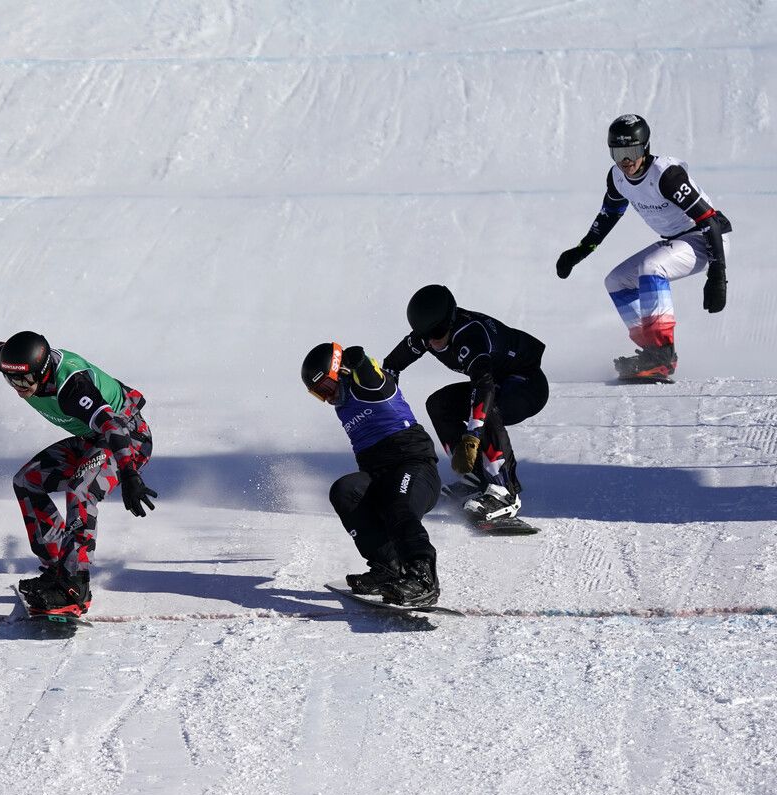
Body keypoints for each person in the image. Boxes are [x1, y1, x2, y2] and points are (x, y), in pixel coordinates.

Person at [0, 331, 157, 618]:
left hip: (128, 439)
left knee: (81, 490)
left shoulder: (73, 388)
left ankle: (74, 585)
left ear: (43, 373)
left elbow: (114, 429)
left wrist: (130, 475)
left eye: (25, 380)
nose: (19, 387)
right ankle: (58, 566)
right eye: (12, 379)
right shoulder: (14, 363)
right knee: (27, 481)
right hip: (92, 438)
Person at [555, 114, 732, 382]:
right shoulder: (617, 177)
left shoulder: (666, 175)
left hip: (707, 238)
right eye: (619, 153)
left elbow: (708, 220)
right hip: (676, 239)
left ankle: (662, 355)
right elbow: (607, 216)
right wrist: (580, 251)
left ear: (646, 148)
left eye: (632, 151)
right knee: (616, 281)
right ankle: (652, 350)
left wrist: (717, 274)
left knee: (651, 268)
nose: (626, 161)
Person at [382, 285, 548, 523]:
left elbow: (484, 388)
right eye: (425, 336)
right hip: (496, 381)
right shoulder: (428, 335)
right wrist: (386, 408)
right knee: (438, 404)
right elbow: (391, 366)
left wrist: (471, 438)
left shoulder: (471, 336)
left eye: (437, 333)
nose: (432, 341)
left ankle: (504, 492)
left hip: (527, 385)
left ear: (450, 321)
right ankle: (476, 476)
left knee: (487, 408)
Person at [301, 341, 441, 606]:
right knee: (344, 490)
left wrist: (361, 361)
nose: (328, 398)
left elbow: (374, 376)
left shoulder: (367, 386)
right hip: (380, 477)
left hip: (415, 468)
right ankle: (387, 568)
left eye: (328, 388)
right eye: (320, 394)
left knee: (400, 505)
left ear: (340, 373)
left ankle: (422, 578)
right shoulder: (343, 407)